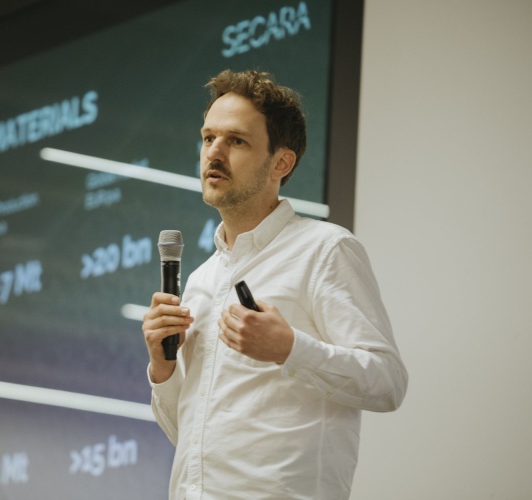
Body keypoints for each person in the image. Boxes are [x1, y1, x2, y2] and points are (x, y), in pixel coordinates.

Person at [142, 69, 408, 499]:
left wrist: (289, 348)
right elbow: (188, 438)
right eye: (208, 138)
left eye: (236, 140)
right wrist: (162, 367)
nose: (214, 152)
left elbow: (388, 382)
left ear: (281, 163)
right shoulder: (202, 279)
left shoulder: (324, 250)